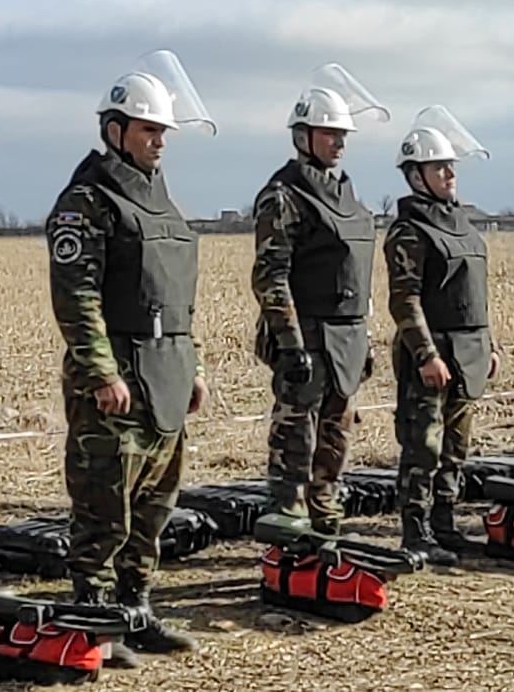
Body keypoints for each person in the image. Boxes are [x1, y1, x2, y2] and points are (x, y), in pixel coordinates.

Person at [45, 52, 214, 665]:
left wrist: (192, 367)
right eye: (148, 130)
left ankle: (136, 608)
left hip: (165, 372)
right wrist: (100, 372)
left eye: (164, 131)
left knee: (154, 506)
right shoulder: (87, 202)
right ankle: (95, 620)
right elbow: (76, 295)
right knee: (103, 506)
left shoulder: (162, 203)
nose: (159, 141)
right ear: (114, 131)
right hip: (115, 378)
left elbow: (178, 297)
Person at [251, 64, 389, 534]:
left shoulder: (349, 198)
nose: (339, 142)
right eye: (330, 133)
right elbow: (271, 274)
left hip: (346, 336)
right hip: (307, 335)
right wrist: (290, 343)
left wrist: (364, 338)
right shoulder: (284, 195)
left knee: (336, 434)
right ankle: (287, 519)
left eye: (342, 134)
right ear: (304, 136)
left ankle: (325, 516)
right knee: (295, 435)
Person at [383, 107, 498, 565]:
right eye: (439, 167)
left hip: (469, 352)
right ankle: (416, 531)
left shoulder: (464, 225)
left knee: (456, 446)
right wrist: (427, 354)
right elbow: (405, 300)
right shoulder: (410, 232)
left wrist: (490, 344)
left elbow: (478, 292)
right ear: (416, 175)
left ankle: (445, 523)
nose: (450, 174)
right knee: (422, 447)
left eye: (451, 166)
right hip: (432, 357)